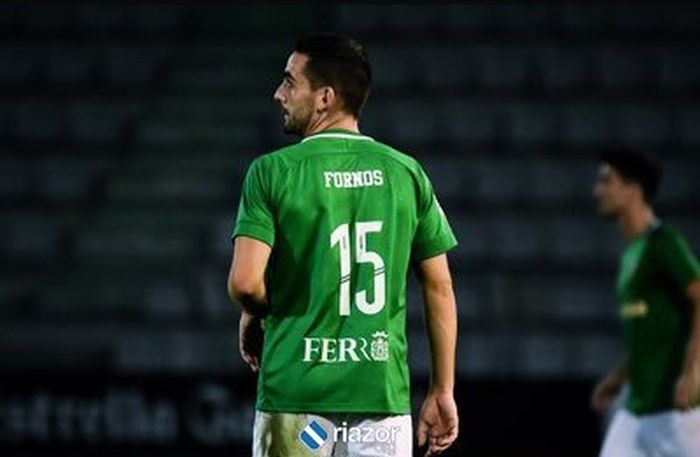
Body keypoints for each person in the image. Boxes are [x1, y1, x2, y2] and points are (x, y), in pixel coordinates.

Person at [226, 33, 459, 457]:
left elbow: (244, 283)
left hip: (295, 402)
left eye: (290, 82)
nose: (278, 94)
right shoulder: (406, 173)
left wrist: (255, 312)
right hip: (381, 404)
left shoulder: (271, 172)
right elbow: (439, 287)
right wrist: (442, 390)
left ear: (325, 98)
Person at [590, 149, 700, 456]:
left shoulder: (664, 243)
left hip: (676, 409)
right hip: (637, 407)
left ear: (632, 189)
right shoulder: (631, 255)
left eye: (606, 181)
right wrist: (620, 375)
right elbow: (654, 332)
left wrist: (694, 369)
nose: (597, 190)